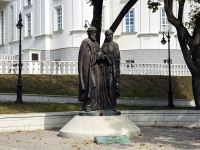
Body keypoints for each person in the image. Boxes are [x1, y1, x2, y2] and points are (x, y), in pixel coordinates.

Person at [78, 26, 100, 112]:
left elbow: (98, 53)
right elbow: (82, 58)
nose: (94, 34)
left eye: (95, 33)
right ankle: (87, 104)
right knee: (91, 85)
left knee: (96, 85)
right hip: (88, 68)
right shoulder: (85, 42)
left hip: (96, 68)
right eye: (93, 33)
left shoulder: (97, 44)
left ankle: (94, 105)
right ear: (89, 34)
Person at [98, 29, 120, 111]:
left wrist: (108, 58)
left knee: (110, 86)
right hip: (104, 69)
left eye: (110, 35)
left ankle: (112, 106)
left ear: (112, 35)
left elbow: (117, 58)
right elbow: (100, 55)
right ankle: (104, 105)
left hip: (111, 70)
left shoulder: (115, 45)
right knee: (103, 87)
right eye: (107, 35)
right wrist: (101, 57)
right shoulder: (104, 45)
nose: (109, 36)